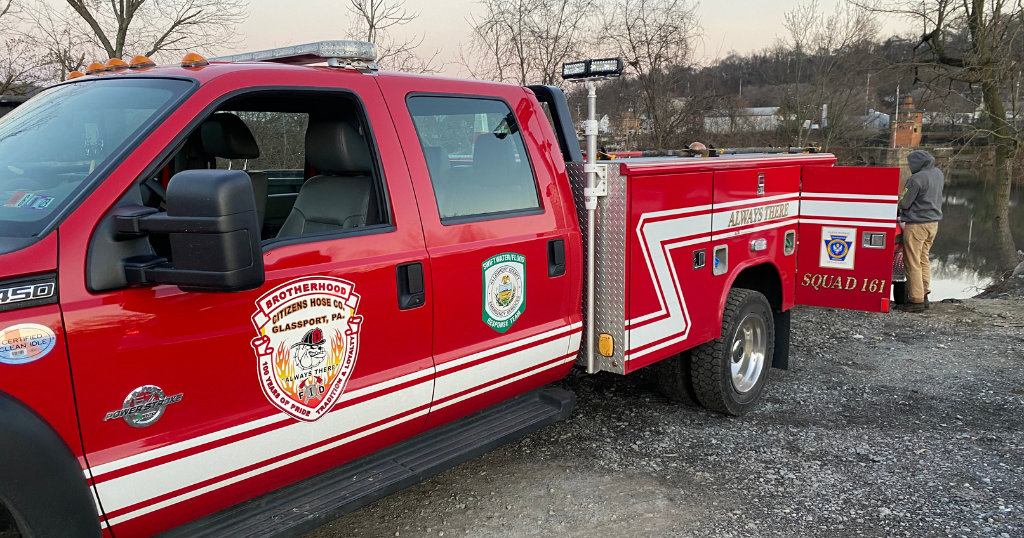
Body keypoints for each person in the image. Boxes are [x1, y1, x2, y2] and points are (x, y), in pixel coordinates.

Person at [897, 150, 944, 312]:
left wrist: (896, 200)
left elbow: (904, 203)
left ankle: (916, 301)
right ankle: (924, 294)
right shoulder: (938, 173)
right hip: (933, 224)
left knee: (912, 262)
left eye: (910, 163)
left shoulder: (916, 179)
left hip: (917, 225)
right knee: (923, 259)